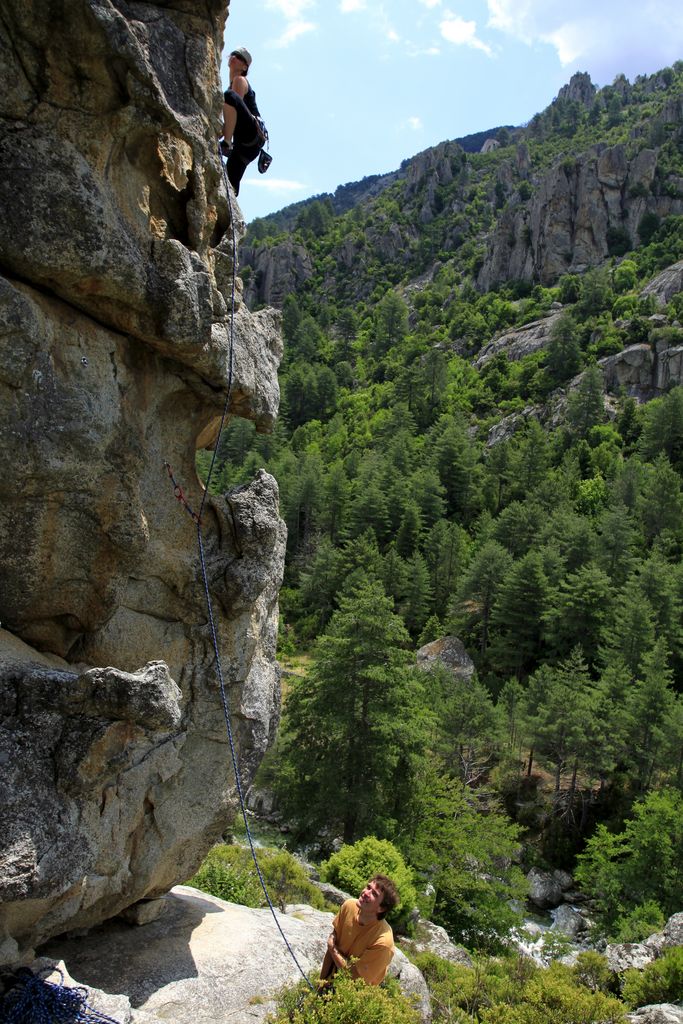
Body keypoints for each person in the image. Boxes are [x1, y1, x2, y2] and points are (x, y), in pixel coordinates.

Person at [319, 875, 398, 988]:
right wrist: (321, 983)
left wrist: (333, 949)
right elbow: (331, 949)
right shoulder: (349, 906)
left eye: (374, 894)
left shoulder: (383, 942)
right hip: (333, 976)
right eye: (368, 887)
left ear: (381, 908)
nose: (366, 893)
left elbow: (355, 978)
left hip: (356, 994)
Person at [221, 46, 265, 195]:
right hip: (246, 145)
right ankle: (232, 214)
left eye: (239, 57)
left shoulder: (240, 80)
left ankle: (227, 143)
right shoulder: (232, 85)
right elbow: (230, 119)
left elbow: (236, 103)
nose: (234, 57)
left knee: (230, 96)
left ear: (244, 66)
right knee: (228, 180)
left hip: (251, 133)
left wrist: (225, 139)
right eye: (233, 54)